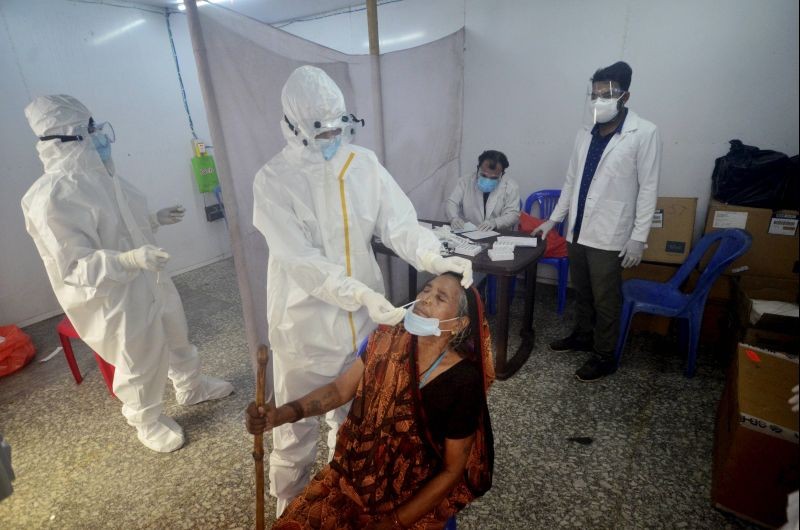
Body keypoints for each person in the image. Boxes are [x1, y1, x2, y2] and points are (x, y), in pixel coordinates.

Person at [252, 65, 473, 515]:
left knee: (353, 417)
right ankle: (287, 507)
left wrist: (434, 257)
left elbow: (400, 224)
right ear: (295, 129)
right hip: (306, 323)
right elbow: (303, 263)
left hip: (364, 320)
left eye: (339, 126)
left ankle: (339, 496)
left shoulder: (363, 164)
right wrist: (363, 295)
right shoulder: (273, 180)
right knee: (295, 428)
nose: (334, 137)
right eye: (324, 131)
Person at [21, 95, 233, 453]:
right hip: (113, 295)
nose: (100, 135)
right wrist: (130, 260)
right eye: (90, 129)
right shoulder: (52, 197)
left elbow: (122, 224)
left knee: (175, 333)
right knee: (138, 356)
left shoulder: (103, 175)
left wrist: (154, 219)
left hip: (149, 276)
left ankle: (190, 385)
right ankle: (146, 420)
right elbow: (74, 266)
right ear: (68, 137)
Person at [246, 273, 494, 529]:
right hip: (351, 477)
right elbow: (340, 390)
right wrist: (281, 415)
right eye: (426, 290)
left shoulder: (462, 380)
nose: (424, 299)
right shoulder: (387, 339)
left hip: (411, 494)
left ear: (459, 324)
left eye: (440, 298)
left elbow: (452, 471)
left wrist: (392, 523)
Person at [534, 61, 661, 382]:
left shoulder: (644, 133)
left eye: (606, 95)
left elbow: (649, 188)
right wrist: (553, 221)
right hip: (578, 229)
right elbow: (571, 180)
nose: (598, 101)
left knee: (606, 298)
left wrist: (639, 237)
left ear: (625, 96)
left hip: (610, 233)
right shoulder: (584, 132)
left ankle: (605, 355)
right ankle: (582, 336)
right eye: (594, 94)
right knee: (584, 291)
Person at [446, 150, 520, 231]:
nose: (487, 180)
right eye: (484, 175)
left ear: (502, 174)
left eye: (493, 178)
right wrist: (454, 218)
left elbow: (513, 214)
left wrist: (495, 222)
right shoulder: (465, 181)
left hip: (497, 233)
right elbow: (452, 202)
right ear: (478, 169)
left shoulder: (511, 187)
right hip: (468, 231)